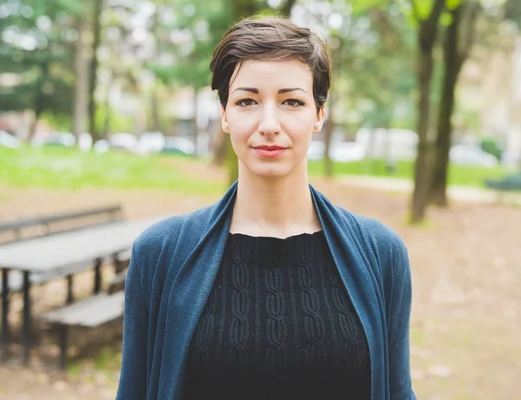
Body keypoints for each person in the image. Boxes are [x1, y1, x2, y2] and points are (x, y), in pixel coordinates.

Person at [116, 16, 416, 400]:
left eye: (291, 101)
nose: (269, 123)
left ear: (319, 115)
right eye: (247, 101)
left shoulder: (381, 253)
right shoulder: (161, 253)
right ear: (225, 115)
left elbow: (398, 391)